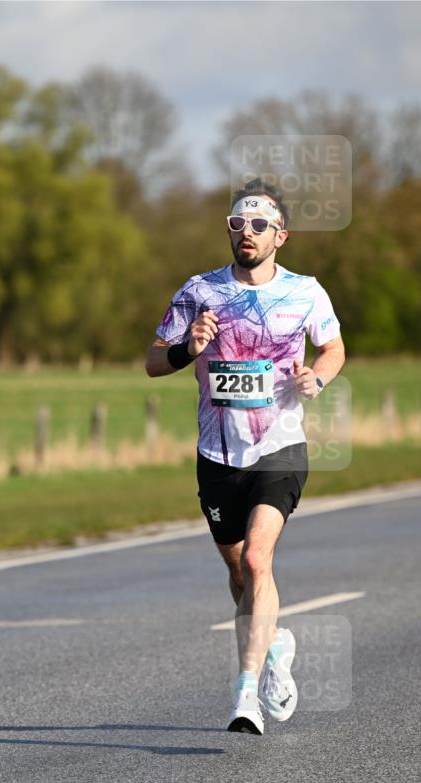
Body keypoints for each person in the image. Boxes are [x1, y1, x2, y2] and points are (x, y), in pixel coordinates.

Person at [145, 178, 346, 734]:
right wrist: (190, 347)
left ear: (280, 235)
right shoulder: (200, 292)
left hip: (279, 446)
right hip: (217, 454)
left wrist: (318, 378)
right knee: (240, 574)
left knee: (259, 561)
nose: (247, 233)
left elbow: (332, 347)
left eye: (258, 225)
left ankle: (247, 692)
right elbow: (153, 360)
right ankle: (277, 644)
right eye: (237, 224)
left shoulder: (306, 291)